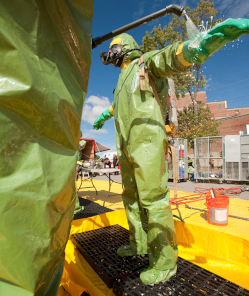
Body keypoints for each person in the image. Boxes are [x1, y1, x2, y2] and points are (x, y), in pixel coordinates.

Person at [93, 19, 249, 285]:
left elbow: (171, 57)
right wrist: (105, 115)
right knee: (130, 196)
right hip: (126, 145)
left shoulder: (145, 63)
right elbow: (121, 104)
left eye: (114, 46)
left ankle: (164, 262)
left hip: (147, 142)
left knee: (153, 199)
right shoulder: (119, 83)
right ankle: (139, 243)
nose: (111, 52)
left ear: (127, 47)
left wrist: (201, 44)